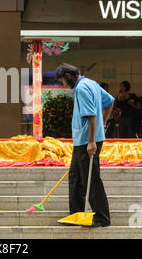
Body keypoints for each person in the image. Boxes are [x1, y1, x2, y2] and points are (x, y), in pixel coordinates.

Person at [56, 63, 114, 227]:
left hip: (86, 141)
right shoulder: (91, 83)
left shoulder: (82, 88)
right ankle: (76, 214)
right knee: (75, 177)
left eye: (63, 82)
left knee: (91, 177)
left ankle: (102, 218)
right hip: (82, 140)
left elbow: (91, 117)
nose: (64, 86)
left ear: (68, 76)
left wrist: (91, 141)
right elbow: (110, 102)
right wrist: (104, 123)